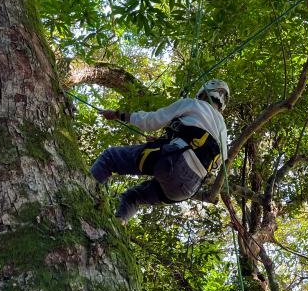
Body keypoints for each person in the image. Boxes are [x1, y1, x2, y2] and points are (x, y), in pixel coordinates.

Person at [90, 79, 230, 226]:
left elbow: (151, 121)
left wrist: (118, 115)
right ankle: (118, 224)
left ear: (202, 93)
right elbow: (215, 165)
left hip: (173, 161)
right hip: (188, 188)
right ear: (221, 108)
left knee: (109, 158)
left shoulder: (195, 104)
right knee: (133, 197)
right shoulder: (223, 132)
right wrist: (164, 141)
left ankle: (83, 192)